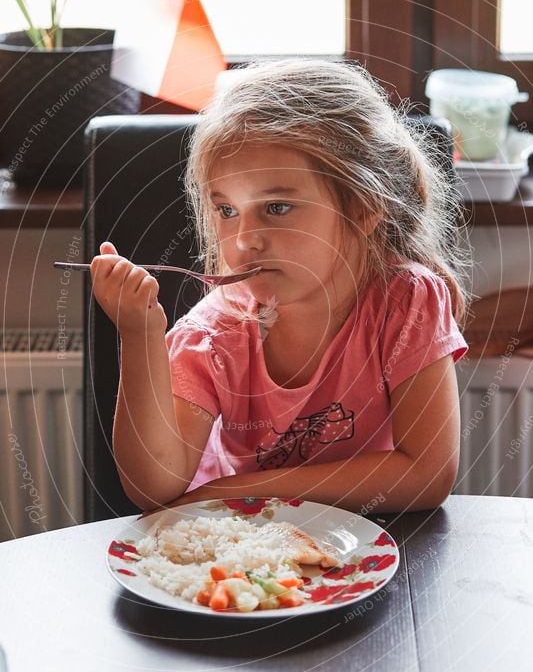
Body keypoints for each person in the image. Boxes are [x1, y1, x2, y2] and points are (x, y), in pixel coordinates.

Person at [90, 58, 470, 515]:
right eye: (227, 211)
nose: (245, 239)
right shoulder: (214, 337)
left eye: (277, 207)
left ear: (365, 209)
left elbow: (427, 474)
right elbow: (152, 487)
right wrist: (139, 335)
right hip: (243, 559)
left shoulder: (407, 302)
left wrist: (234, 489)